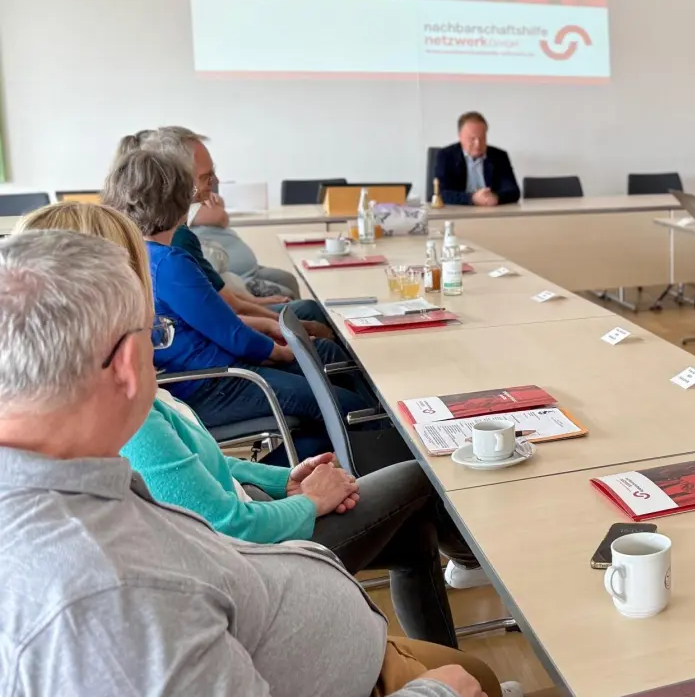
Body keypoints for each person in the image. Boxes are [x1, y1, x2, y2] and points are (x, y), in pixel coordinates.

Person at [0, 229, 628, 697]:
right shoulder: (90, 587)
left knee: (480, 677)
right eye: (153, 335)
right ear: (127, 366)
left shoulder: (63, 477)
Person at [12, 202, 486, 659]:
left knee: (411, 530)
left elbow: (203, 462)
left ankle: (442, 657)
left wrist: (284, 479)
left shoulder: (122, 402)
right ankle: (475, 571)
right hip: (258, 556)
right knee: (417, 478)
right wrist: (308, 502)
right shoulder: (130, 416)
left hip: (258, 512)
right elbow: (229, 529)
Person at [101, 148, 368, 454]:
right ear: (180, 200)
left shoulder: (140, 255)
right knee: (349, 408)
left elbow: (218, 323)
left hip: (202, 376)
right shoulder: (170, 263)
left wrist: (279, 339)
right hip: (216, 383)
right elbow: (235, 338)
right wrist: (284, 353)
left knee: (326, 371)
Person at [124, 126, 302, 299]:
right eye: (206, 176)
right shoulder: (175, 237)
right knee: (305, 310)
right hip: (233, 301)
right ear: (178, 178)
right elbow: (222, 313)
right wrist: (267, 318)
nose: (216, 181)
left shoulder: (176, 232)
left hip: (234, 294)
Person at [433, 111, 521, 207]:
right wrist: (472, 198)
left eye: (482, 138)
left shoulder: (499, 156)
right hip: (458, 212)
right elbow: (441, 193)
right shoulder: (446, 156)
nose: (478, 144)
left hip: (492, 212)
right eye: (472, 139)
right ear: (460, 137)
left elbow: (513, 191)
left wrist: (496, 197)